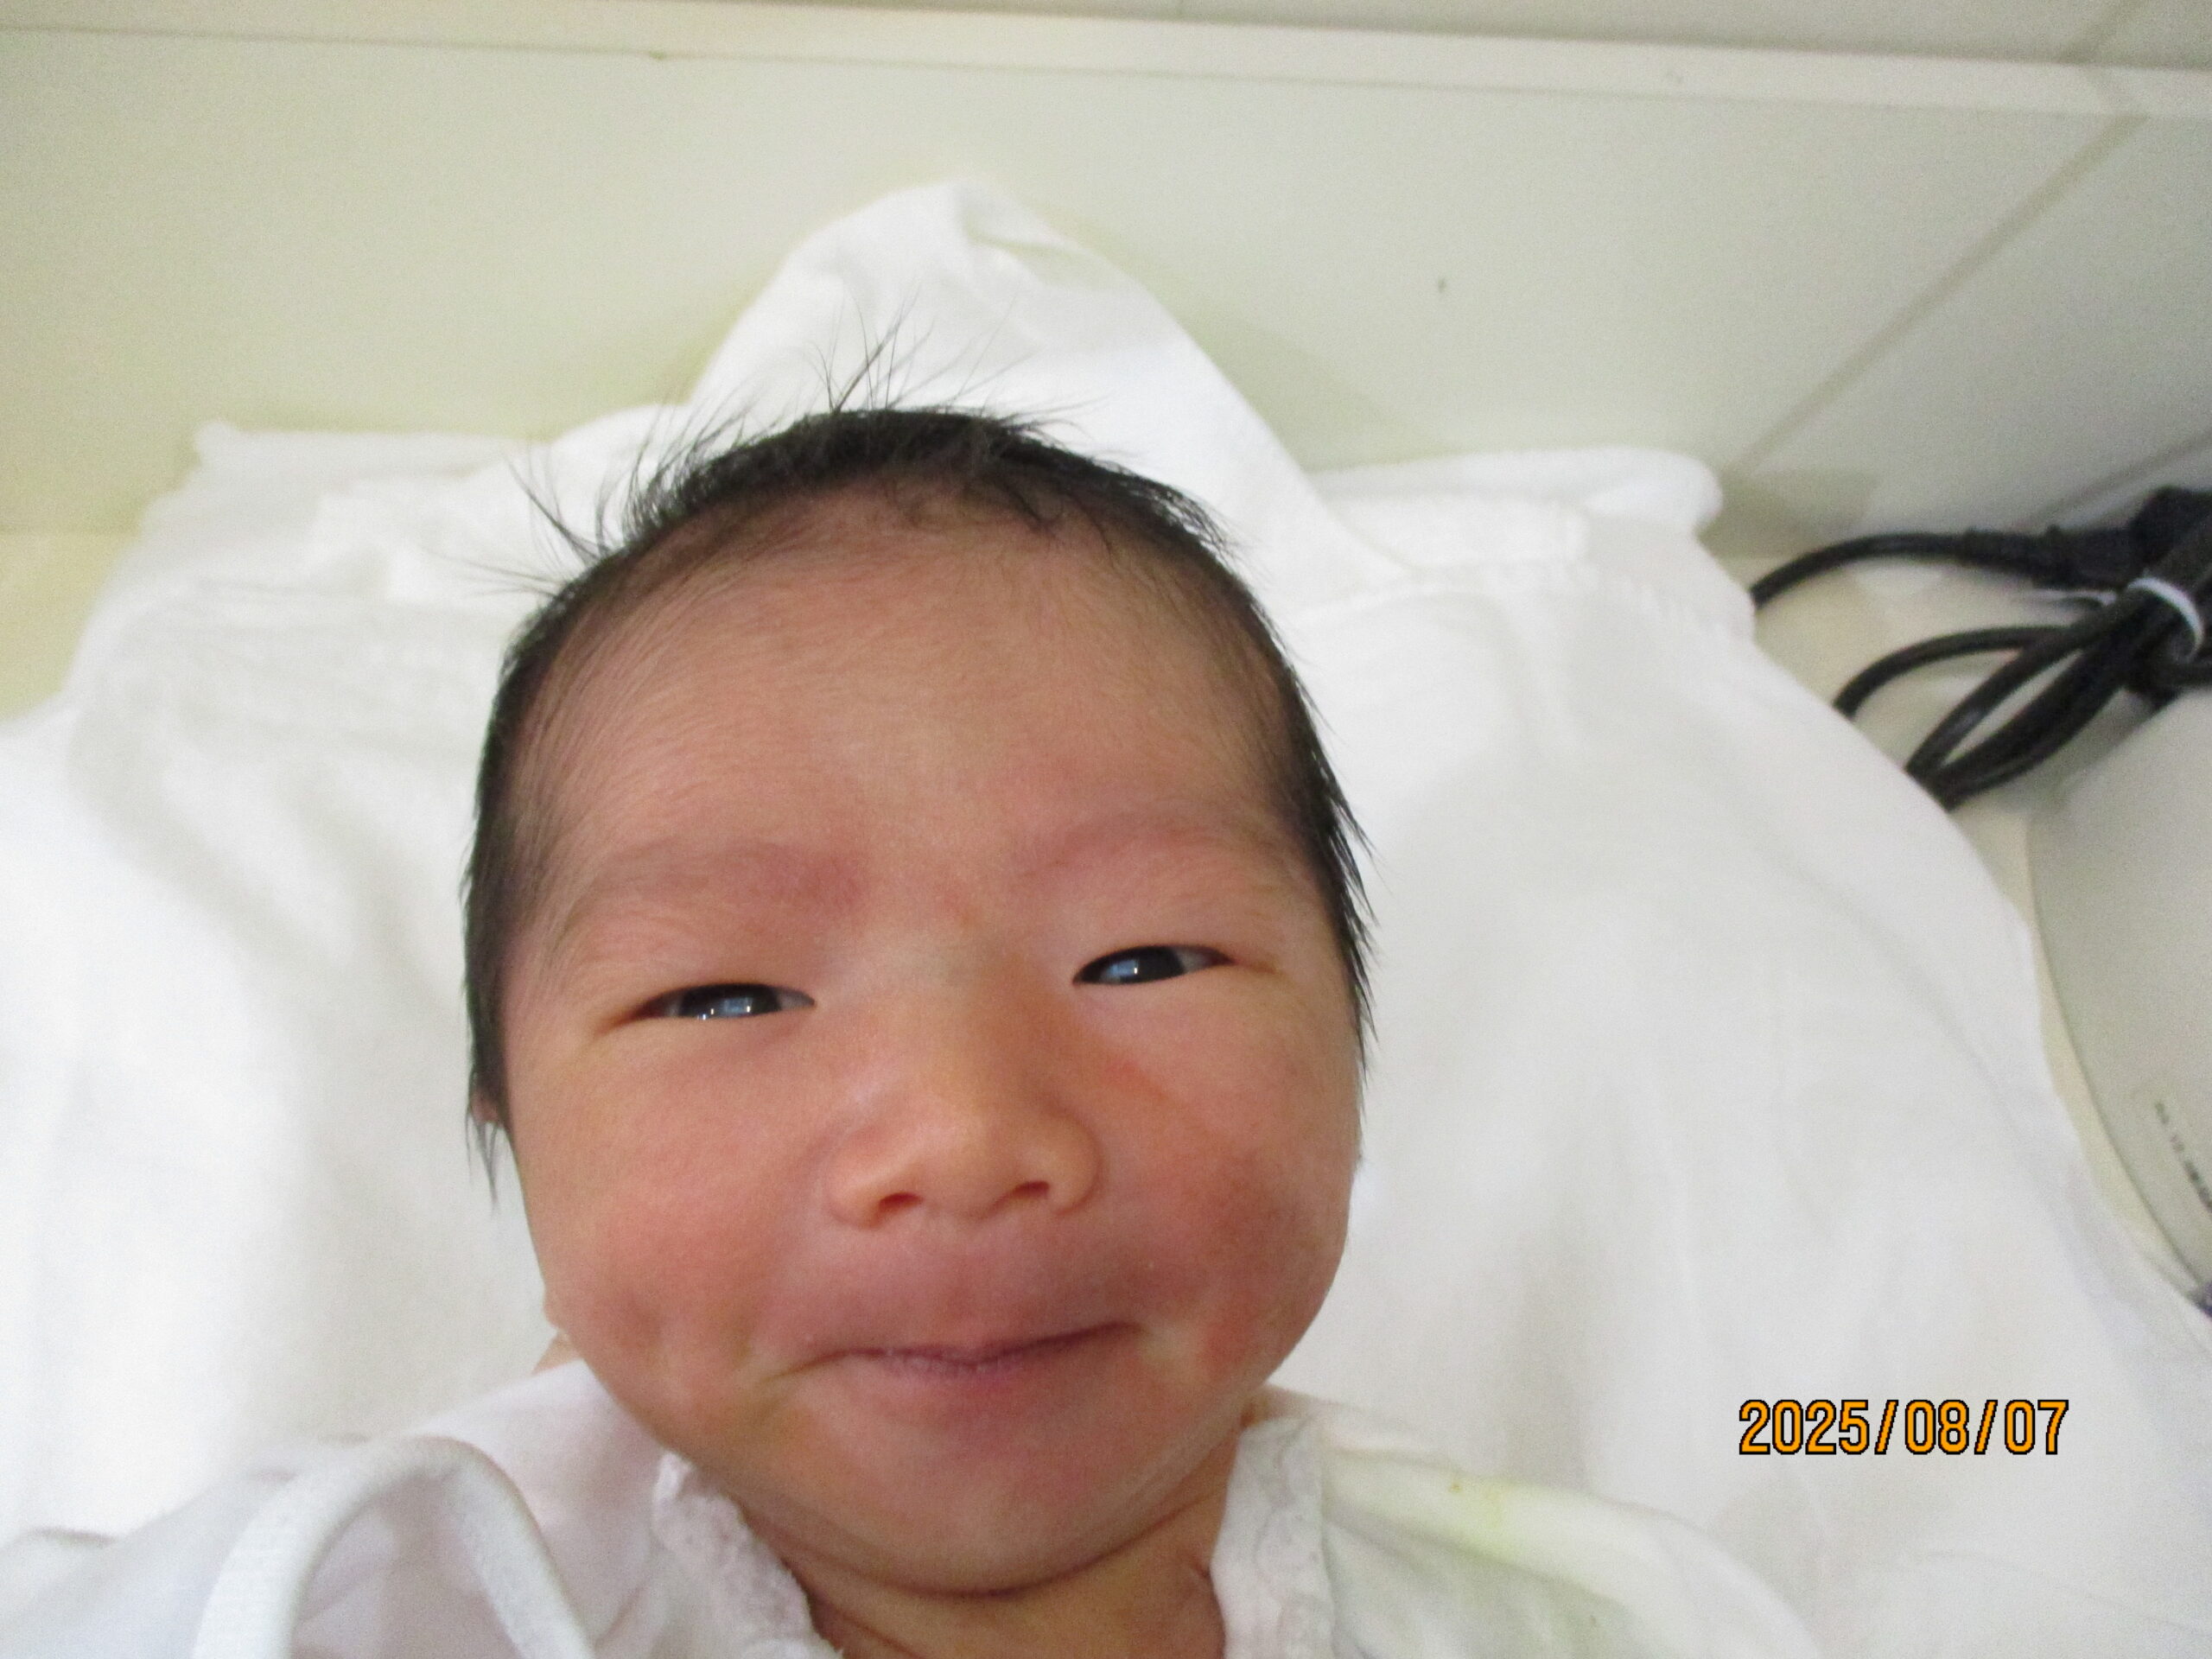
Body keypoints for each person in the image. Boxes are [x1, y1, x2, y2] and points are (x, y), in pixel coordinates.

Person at [0, 407, 1815, 1657]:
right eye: (724, 996)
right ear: (512, 1137)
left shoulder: (1584, 1613)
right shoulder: (357, 1598)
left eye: (1144, 959)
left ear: (1353, 1049)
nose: (963, 1132)